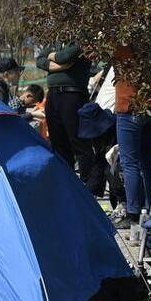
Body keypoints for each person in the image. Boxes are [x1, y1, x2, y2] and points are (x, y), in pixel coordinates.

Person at [36, 42, 98, 191]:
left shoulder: (80, 37)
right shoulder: (56, 40)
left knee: (79, 142)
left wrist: (52, 57)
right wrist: (58, 63)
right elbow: (40, 59)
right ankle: (65, 184)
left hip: (73, 95)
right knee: (58, 144)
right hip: (53, 95)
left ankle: (86, 186)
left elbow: (67, 55)